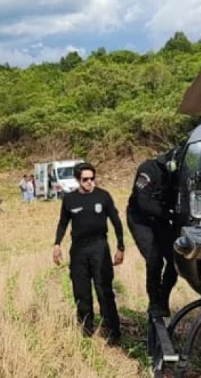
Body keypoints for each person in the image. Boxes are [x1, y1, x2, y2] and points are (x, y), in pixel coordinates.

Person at [53, 162, 125, 345]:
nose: (89, 182)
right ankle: (86, 331)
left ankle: (113, 332)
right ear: (78, 180)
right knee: (81, 292)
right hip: (78, 250)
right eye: (85, 179)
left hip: (99, 247)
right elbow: (63, 223)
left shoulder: (103, 196)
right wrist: (57, 244)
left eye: (92, 179)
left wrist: (120, 247)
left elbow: (116, 221)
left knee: (104, 290)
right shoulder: (70, 199)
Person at [126, 146, 180, 318]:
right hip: (140, 219)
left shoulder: (178, 175)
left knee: (175, 260)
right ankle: (154, 301)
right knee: (154, 259)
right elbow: (143, 202)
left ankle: (163, 299)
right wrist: (170, 213)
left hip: (160, 219)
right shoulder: (148, 169)